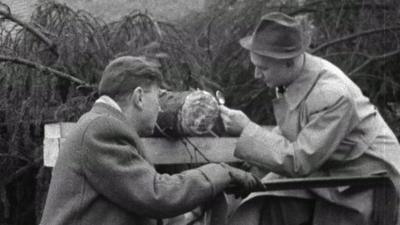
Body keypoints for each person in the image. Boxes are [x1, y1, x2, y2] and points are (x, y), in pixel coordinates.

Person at [220, 12, 400, 225]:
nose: (256, 75)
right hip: (330, 170)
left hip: (368, 184)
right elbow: (294, 132)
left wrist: (246, 130)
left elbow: (299, 162)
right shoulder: (295, 75)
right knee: (252, 204)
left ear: (289, 62)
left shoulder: (332, 94)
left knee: (263, 205)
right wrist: (250, 161)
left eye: (263, 68)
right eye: (256, 65)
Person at [40, 56, 262, 225]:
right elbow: (156, 195)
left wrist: (194, 209)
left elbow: (137, 203)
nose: (160, 107)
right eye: (157, 97)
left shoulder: (102, 124)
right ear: (138, 97)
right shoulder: (102, 128)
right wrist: (222, 172)